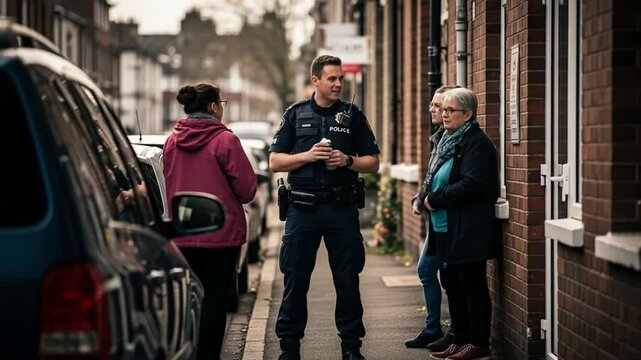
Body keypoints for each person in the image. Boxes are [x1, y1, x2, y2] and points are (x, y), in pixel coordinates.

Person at [269, 55, 380, 360]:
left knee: (347, 280)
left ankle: (351, 347)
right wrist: (308, 155)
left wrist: (347, 161)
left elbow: (373, 162)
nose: (338, 84)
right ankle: (289, 348)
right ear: (315, 80)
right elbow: (275, 161)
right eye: (332, 78)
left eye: (341, 78)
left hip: (341, 208)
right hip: (302, 208)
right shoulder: (295, 114)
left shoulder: (352, 115)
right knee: (295, 278)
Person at [163, 83, 257, 360]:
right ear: (214, 107)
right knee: (214, 302)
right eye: (222, 104)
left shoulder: (172, 141)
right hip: (221, 234)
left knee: (190, 301)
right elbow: (248, 190)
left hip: (183, 231)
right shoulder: (225, 141)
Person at [416, 87, 498, 360]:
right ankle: (460, 338)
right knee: (452, 282)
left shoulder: (476, 143)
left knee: (471, 284)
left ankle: (478, 343)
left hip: (467, 227)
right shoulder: (450, 140)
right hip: (446, 227)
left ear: (468, 114)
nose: (444, 113)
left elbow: (472, 184)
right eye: (444, 109)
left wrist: (434, 199)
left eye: (450, 110)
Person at [404, 85, 460, 350]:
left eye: (440, 106)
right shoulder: (440, 138)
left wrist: (429, 199)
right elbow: (432, 176)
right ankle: (435, 328)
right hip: (436, 219)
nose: (434, 110)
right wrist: (420, 197)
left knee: (436, 273)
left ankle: (442, 330)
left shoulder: (455, 140)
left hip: (450, 221)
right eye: (434, 106)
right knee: (430, 271)